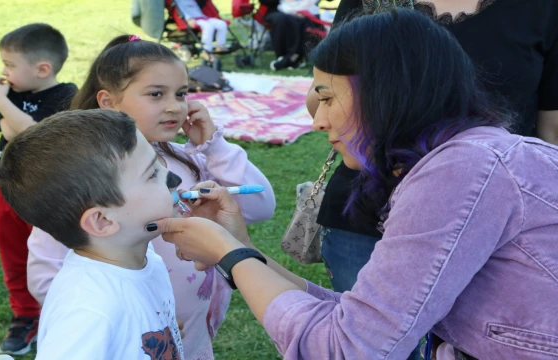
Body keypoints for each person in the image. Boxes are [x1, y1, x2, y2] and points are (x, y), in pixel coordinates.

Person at [149, 9, 558, 359]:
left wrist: (229, 253)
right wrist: (242, 253)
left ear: (385, 92)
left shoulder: (461, 171)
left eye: (326, 98)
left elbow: (346, 348)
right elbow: (357, 320)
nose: (318, 121)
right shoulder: (461, 158)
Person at [26, 35, 276, 359]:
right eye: (156, 94)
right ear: (108, 101)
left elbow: (262, 205)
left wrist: (214, 147)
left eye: (182, 93)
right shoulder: (83, 176)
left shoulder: (188, 158)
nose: (174, 105)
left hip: (193, 333)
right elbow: (46, 275)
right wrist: (140, 325)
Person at [319, 0, 558, 300]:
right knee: (367, 336)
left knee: (467, 343)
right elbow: (323, 94)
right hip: (367, 214)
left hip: (487, 225)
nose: (318, 123)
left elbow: (551, 133)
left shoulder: (542, 8)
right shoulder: (371, 2)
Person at [0, 109, 185, 359]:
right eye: (152, 174)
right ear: (102, 221)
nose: (175, 179)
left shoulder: (140, 254)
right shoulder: (87, 313)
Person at [0, 22, 77, 355]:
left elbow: (26, 135)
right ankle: (25, 316)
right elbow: (11, 127)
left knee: (52, 257)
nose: (3, 72)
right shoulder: (16, 95)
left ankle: (63, 311)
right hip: (6, 189)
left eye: (10, 64)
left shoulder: (67, 96)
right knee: (14, 255)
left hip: (45, 193)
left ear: (42, 69)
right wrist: (15, 114)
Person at [259, 0, 321, 70]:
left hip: (305, 9)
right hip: (276, 9)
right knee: (283, 19)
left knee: (310, 20)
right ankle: (286, 56)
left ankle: (298, 56)